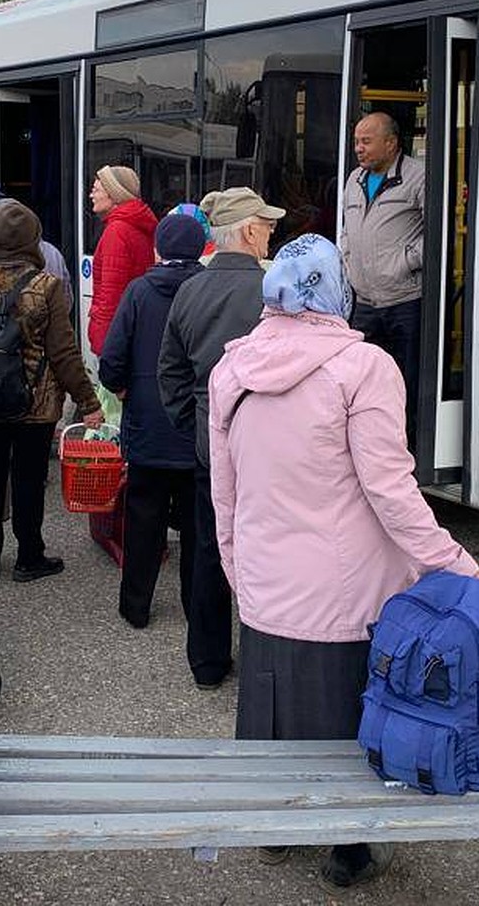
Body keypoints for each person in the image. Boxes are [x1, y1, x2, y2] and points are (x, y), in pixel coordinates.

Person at [208, 233, 479, 891]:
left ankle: (276, 829)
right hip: (347, 595)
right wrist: (453, 564)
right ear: (338, 289)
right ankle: (351, 847)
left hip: (268, 589)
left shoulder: (231, 371)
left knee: (272, 706)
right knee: (347, 721)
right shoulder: (366, 370)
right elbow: (390, 490)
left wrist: (239, 572)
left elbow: (225, 492)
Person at [157, 186, 285, 690]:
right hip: (269, 444)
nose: (271, 233)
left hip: (210, 443)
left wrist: (195, 428)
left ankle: (207, 662)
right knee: (268, 552)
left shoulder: (190, 289)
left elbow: (170, 371)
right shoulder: (274, 288)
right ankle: (266, 658)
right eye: (268, 226)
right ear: (249, 231)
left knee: (209, 548)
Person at [0, 201, 102, 581]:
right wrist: (88, 401)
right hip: (34, 404)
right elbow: (63, 352)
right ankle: (28, 557)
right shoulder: (45, 285)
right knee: (28, 479)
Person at [99, 213, 206, 629]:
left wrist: (123, 387)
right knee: (198, 527)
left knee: (144, 519)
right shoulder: (206, 291)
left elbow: (112, 357)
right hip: (196, 427)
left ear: (158, 249)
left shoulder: (140, 291)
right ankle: (196, 607)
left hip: (147, 423)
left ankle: (136, 606)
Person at [339, 111, 425, 443]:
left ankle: (406, 449)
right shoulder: (354, 179)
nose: (358, 148)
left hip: (405, 301)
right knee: (362, 385)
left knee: (406, 383)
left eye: (366, 141)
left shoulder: (418, 177)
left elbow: (437, 232)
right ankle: (368, 445)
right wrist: (348, 257)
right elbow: (348, 230)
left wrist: (405, 261)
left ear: (391, 143)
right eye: (356, 141)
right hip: (364, 303)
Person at [87, 165, 157, 356]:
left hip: (114, 338)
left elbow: (110, 296)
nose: (91, 196)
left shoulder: (116, 231)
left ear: (113, 194)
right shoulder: (137, 225)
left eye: (96, 190)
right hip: (134, 330)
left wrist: (102, 345)